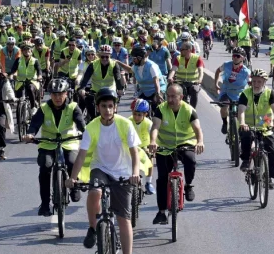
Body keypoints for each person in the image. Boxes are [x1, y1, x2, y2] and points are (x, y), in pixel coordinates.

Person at [69, 88, 141, 254]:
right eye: (103, 106)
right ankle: (93, 228)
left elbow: (134, 152)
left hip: (123, 171)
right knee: (94, 192)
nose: (107, 110)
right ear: (98, 107)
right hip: (100, 168)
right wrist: (72, 178)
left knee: (124, 219)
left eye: (110, 106)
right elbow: (81, 155)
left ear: (115, 107)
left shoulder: (125, 124)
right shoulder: (92, 127)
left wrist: (135, 173)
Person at [27, 77, 86, 216]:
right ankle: (45, 204)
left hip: (68, 141)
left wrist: (85, 133)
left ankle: (74, 186)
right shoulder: (44, 108)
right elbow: (34, 124)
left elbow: (81, 124)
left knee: (72, 162)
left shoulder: (73, 107)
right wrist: (30, 134)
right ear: (50, 95)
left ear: (66, 94)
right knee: (45, 167)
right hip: (48, 143)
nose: (58, 97)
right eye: (54, 94)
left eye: (60, 94)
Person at [148, 83, 205, 224]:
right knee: (162, 179)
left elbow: (198, 129)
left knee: (190, 160)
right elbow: (155, 127)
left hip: (185, 144)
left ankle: (189, 185)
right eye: (168, 96)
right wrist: (153, 141)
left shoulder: (189, 110)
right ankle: (161, 212)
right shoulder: (161, 109)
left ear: (181, 97)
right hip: (165, 146)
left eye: (173, 96)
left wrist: (199, 142)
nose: (170, 99)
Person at [237, 70, 274, 189]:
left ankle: (269, 177)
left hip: (265, 127)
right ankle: (246, 160)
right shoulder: (245, 93)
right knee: (247, 137)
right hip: (248, 126)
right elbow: (241, 111)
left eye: (259, 81)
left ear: (264, 82)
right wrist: (242, 123)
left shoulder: (269, 93)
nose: (256, 84)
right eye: (254, 81)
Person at [77, 45, 127, 117]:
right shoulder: (93, 64)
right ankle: (92, 119)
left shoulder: (114, 64)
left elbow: (118, 78)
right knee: (89, 103)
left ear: (110, 55)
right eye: (102, 57)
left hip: (110, 91)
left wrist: (120, 89)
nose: (104, 59)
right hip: (96, 91)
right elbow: (85, 78)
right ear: (99, 56)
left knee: (113, 111)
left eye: (107, 57)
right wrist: (82, 88)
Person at [214, 48, 250, 135]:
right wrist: (216, 84)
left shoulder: (246, 71)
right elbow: (218, 71)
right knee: (224, 106)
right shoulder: (226, 65)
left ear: (243, 58)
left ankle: (238, 131)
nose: (235, 58)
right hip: (226, 91)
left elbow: (251, 83)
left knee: (240, 113)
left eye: (238, 56)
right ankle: (225, 123)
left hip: (239, 94)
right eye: (234, 55)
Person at [130, 100, 155, 195]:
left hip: (145, 146)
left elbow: (153, 137)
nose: (136, 117)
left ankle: (148, 182)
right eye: (134, 114)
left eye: (139, 115)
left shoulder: (149, 124)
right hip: (132, 146)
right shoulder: (128, 122)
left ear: (145, 114)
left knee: (150, 159)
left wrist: (152, 147)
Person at [170, 40, 203, 107]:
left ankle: (193, 110)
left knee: (194, 90)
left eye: (182, 49)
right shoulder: (178, 58)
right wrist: (170, 77)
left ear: (188, 50)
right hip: (181, 83)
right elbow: (173, 69)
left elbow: (201, 72)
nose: (180, 51)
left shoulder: (197, 58)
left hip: (193, 83)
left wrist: (199, 80)